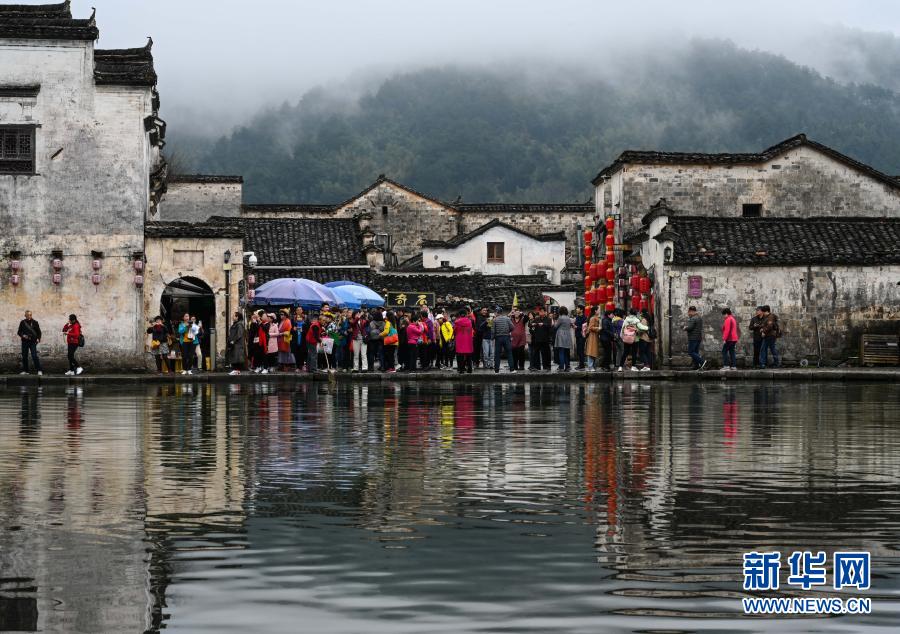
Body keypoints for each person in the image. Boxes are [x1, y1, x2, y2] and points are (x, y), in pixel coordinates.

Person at [17, 310, 43, 375]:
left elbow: (39, 332)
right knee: (24, 356)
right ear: (25, 315)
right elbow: (19, 332)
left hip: (33, 342)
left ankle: (39, 370)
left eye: (30, 315)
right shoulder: (22, 322)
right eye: (28, 315)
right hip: (25, 342)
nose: (29, 316)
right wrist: (23, 335)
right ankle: (26, 371)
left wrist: (38, 339)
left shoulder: (35, 322)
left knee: (34, 356)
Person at [491, 306, 515, 373]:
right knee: (509, 353)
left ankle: (496, 371)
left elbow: (493, 331)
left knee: (497, 354)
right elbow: (512, 327)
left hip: (498, 338)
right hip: (506, 337)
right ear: (501, 312)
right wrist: (508, 331)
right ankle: (512, 369)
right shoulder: (507, 319)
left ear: (496, 312)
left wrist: (492, 338)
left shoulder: (494, 320)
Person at [684, 306, 707, 370]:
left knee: (691, 352)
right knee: (695, 352)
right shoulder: (699, 318)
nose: (688, 313)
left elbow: (690, 328)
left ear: (691, 311)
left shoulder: (693, 318)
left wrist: (685, 328)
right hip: (698, 338)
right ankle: (696, 366)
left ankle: (702, 362)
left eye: (689, 312)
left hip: (693, 338)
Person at [453, 308, 474, 374]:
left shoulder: (457, 322)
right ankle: (469, 369)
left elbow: (455, 331)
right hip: (468, 340)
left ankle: (461, 369)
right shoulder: (470, 321)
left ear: (459, 314)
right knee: (468, 356)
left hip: (460, 341)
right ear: (466, 314)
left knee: (460, 356)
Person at [554, 306, 574, 371]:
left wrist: (554, 323)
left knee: (561, 351)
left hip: (561, 335)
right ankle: (567, 366)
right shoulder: (568, 318)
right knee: (566, 352)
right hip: (568, 335)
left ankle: (561, 367)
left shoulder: (560, 318)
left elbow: (556, 326)